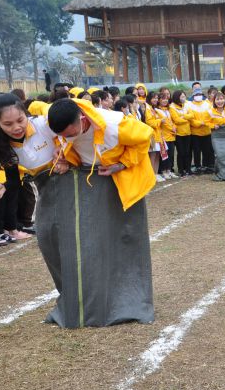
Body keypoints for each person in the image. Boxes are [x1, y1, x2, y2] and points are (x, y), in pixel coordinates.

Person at [45, 97, 155, 327]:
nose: (67, 137)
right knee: (92, 239)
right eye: (62, 135)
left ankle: (128, 299)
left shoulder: (115, 125)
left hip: (122, 180)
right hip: (90, 180)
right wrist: (63, 156)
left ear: (82, 119)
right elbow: (61, 141)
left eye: (70, 133)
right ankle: (95, 299)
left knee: (124, 238)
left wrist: (121, 164)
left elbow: (145, 137)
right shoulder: (62, 126)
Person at [184, 87, 213, 173]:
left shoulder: (207, 104)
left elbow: (211, 116)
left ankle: (206, 165)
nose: (198, 96)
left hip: (207, 132)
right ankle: (197, 166)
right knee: (196, 151)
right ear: (193, 95)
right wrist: (200, 123)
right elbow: (190, 119)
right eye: (196, 94)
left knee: (207, 150)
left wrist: (206, 122)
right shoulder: (189, 105)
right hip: (195, 133)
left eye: (200, 94)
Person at [169, 90, 194, 176]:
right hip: (179, 134)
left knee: (188, 152)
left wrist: (183, 116)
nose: (184, 98)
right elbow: (177, 120)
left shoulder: (186, 105)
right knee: (181, 152)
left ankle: (188, 169)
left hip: (188, 132)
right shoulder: (172, 107)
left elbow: (192, 115)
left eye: (184, 96)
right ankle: (181, 170)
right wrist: (187, 119)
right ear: (177, 97)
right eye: (182, 96)